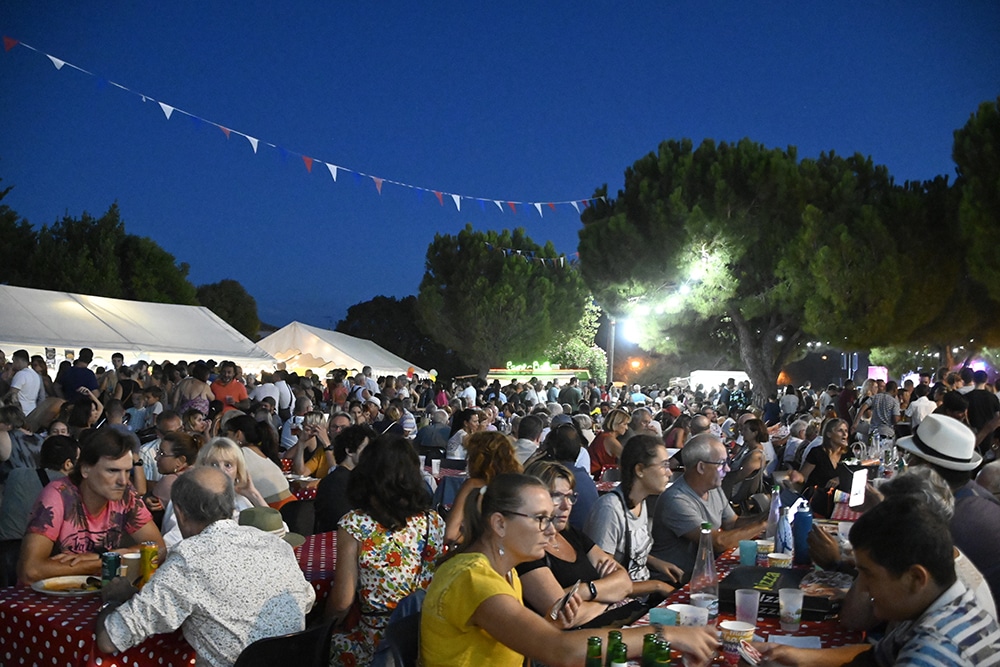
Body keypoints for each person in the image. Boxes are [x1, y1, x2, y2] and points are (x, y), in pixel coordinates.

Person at [420, 473, 719, 667]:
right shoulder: (473, 577)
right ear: (499, 524)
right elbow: (559, 650)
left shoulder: (503, 571)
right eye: (540, 519)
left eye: (550, 518)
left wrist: (556, 621)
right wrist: (664, 634)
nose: (551, 531)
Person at [95, 467, 316, 666]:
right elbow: (306, 601)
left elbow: (110, 638)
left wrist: (114, 600)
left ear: (180, 513)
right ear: (230, 506)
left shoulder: (189, 559)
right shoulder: (276, 545)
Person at [755, 497, 1000, 666]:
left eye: (869, 575)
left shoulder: (934, 651)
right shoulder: (953, 603)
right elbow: (874, 659)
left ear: (915, 578)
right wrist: (798, 658)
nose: (864, 589)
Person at [325, 434, 446, 665]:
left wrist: (323, 626)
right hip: (421, 637)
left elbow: (341, 602)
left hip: (376, 641)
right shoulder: (434, 521)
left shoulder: (355, 524)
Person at [18, 428, 165, 584]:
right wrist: (103, 562)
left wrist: (104, 558)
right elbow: (30, 571)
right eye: (112, 470)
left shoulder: (126, 494)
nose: (123, 480)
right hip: (49, 599)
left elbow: (159, 550)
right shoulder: (58, 494)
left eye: (127, 471)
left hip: (94, 594)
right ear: (85, 469)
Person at [895, 413, 1000, 610]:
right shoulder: (974, 495)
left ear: (925, 470)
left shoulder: (944, 522)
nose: (907, 466)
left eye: (911, 459)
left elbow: (868, 610)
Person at [517, 460, 637, 628]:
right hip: (581, 642)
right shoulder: (527, 550)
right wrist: (607, 600)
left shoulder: (570, 534)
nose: (567, 506)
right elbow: (563, 615)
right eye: (557, 496)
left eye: (570, 496)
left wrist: (584, 590)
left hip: (616, 623)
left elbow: (625, 582)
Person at [651, 433, 766, 581]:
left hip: (702, 573)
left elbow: (732, 523)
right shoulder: (676, 500)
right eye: (722, 463)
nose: (728, 469)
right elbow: (717, 542)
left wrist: (765, 516)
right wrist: (763, 524)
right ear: (701, 467)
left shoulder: (713, 488)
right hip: (677, 581)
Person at [584, 435, 683, 598]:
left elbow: (626, 551)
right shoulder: (610, 510)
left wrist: (656, 562)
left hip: (641, 595)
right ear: (639, 470)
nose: (669, 472)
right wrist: (656, 586)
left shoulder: (639, 501)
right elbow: (602, 577)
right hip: (622, 605)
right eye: (664, 465)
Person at [444, 431, 523, 545]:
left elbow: (450, 534)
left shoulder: (473, 486)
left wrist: (475, 543)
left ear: (477, 458)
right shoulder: (518, 485)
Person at [314, 424, 376, 533]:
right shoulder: (337, 483)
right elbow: (343, 523)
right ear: (350, 451)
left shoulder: (355, 478)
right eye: (365, 449)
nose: (370, 454)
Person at [224, 414, 294, 508]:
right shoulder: (261, 452)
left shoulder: (239, 454)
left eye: (227, 434)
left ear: (238, 435)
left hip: (272, 510)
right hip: (291, 506)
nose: (224, 439)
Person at [150, 430, 199, 506]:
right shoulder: (200, 475)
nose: (156, 458)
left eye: (162, 453)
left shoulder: (170, 482)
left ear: (180, 460)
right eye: (158, 452)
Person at [587, 408, 629, 475]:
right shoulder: (611, 441)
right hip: (599, 476)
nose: (626, 428)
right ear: (616, 424)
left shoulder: (602, 435)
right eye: (625, 424)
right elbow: (629, 459)